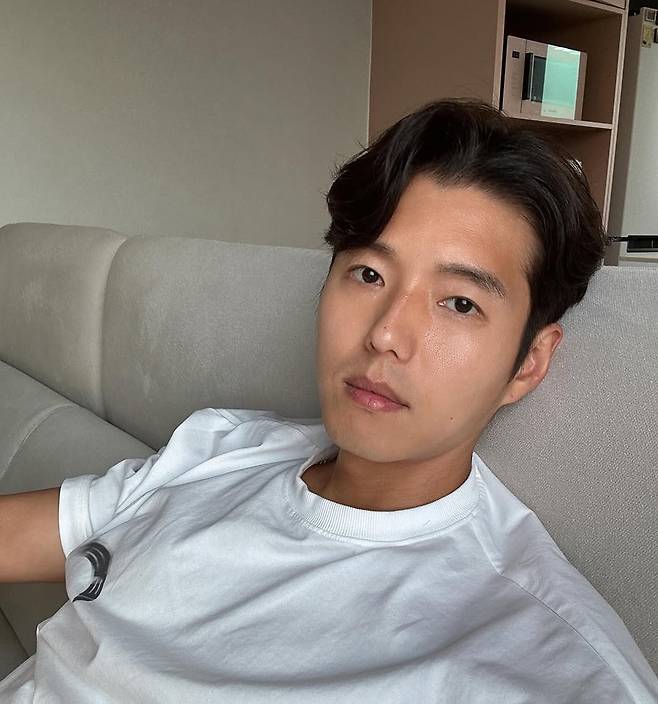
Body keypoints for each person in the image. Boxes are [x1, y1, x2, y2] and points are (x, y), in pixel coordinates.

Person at [1, 97, 657, 703]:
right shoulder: (225, 446)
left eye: (459, 303)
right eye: (369, 274)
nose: (386, 334)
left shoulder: (547, 661)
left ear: (528, 363)